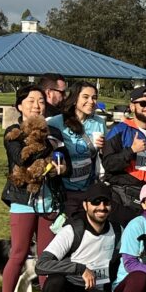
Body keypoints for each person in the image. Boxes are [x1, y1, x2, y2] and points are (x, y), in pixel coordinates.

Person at [0, 85, 69, 292]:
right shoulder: (13, 132)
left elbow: (64, 160)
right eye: (31, 101)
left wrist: (62, 167)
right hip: (22, 201)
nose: (36, 105)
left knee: (46, 256)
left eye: (40, 101)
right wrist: (46, 142)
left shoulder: (56, 132)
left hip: (50, 201)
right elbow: (21, 158)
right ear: (20, 105)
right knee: (18, 253)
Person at [35, 181, 122, 292]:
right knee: (54, 283)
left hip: (97, 290)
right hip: (70, 289)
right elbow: (41, 264)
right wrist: (79, 269)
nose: (101, 207)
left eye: (106, 202)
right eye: (95, 202)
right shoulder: (72, 230)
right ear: (85, 205)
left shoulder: (118, 230)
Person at [101, 86, 146, 226]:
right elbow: (108, 164)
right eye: (143, 103)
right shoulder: (119, 130)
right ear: (132, 107)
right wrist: (132, 150)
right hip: (123, 198)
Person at [47, 80, 107, 217]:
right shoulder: (56, 122)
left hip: (90, 188)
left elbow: (104, 156)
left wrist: (104, 147)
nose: (91, 101)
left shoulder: (99, 122)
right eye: (85, 97)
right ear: (74, 99)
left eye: (94, 98)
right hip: (64, 189)